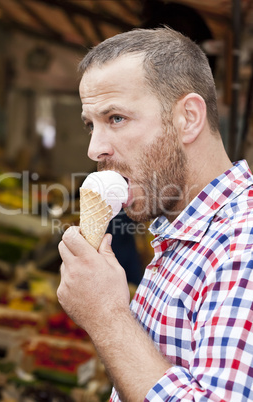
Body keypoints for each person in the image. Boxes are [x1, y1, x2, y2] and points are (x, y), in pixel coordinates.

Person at [57, 27, 253, 401]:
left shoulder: (243, 242)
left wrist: (107, 317)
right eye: (90, 125)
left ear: (188, 118)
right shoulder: (182, 233)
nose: (94, 149)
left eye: (115, 118)